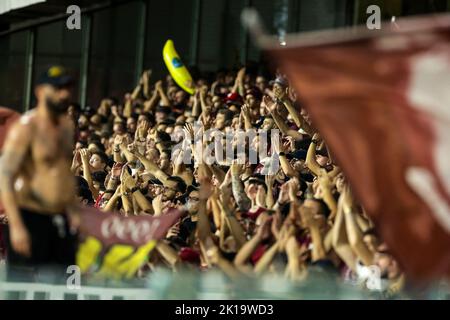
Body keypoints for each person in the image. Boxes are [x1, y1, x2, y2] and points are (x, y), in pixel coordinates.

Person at [0, 66, 80, 282]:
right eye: (57, 88)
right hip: (29, 218)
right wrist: (16, 226)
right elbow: (5, 177)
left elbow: (63, 174)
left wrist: (74, 212)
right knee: (22, 289)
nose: (65, 94)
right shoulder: (25, 128)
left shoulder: (65, 126)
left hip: (60, 218)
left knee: (68, 287)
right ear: (40, 92)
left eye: (67, 88)